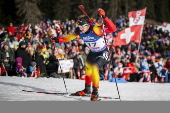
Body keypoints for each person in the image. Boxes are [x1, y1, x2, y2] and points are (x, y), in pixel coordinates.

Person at [55, 8, 116, 101]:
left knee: (95, 68)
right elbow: (69, 37)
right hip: (93, 52)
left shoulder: (96, 29)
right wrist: (58, 39)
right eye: (79, 26)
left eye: (82, 26)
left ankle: (95, 93)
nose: (81, 28)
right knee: (87, 70)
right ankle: (87, 90)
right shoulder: (80, 31)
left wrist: (104, 17)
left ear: (87, 25)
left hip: (103, 52)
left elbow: (113, 28)